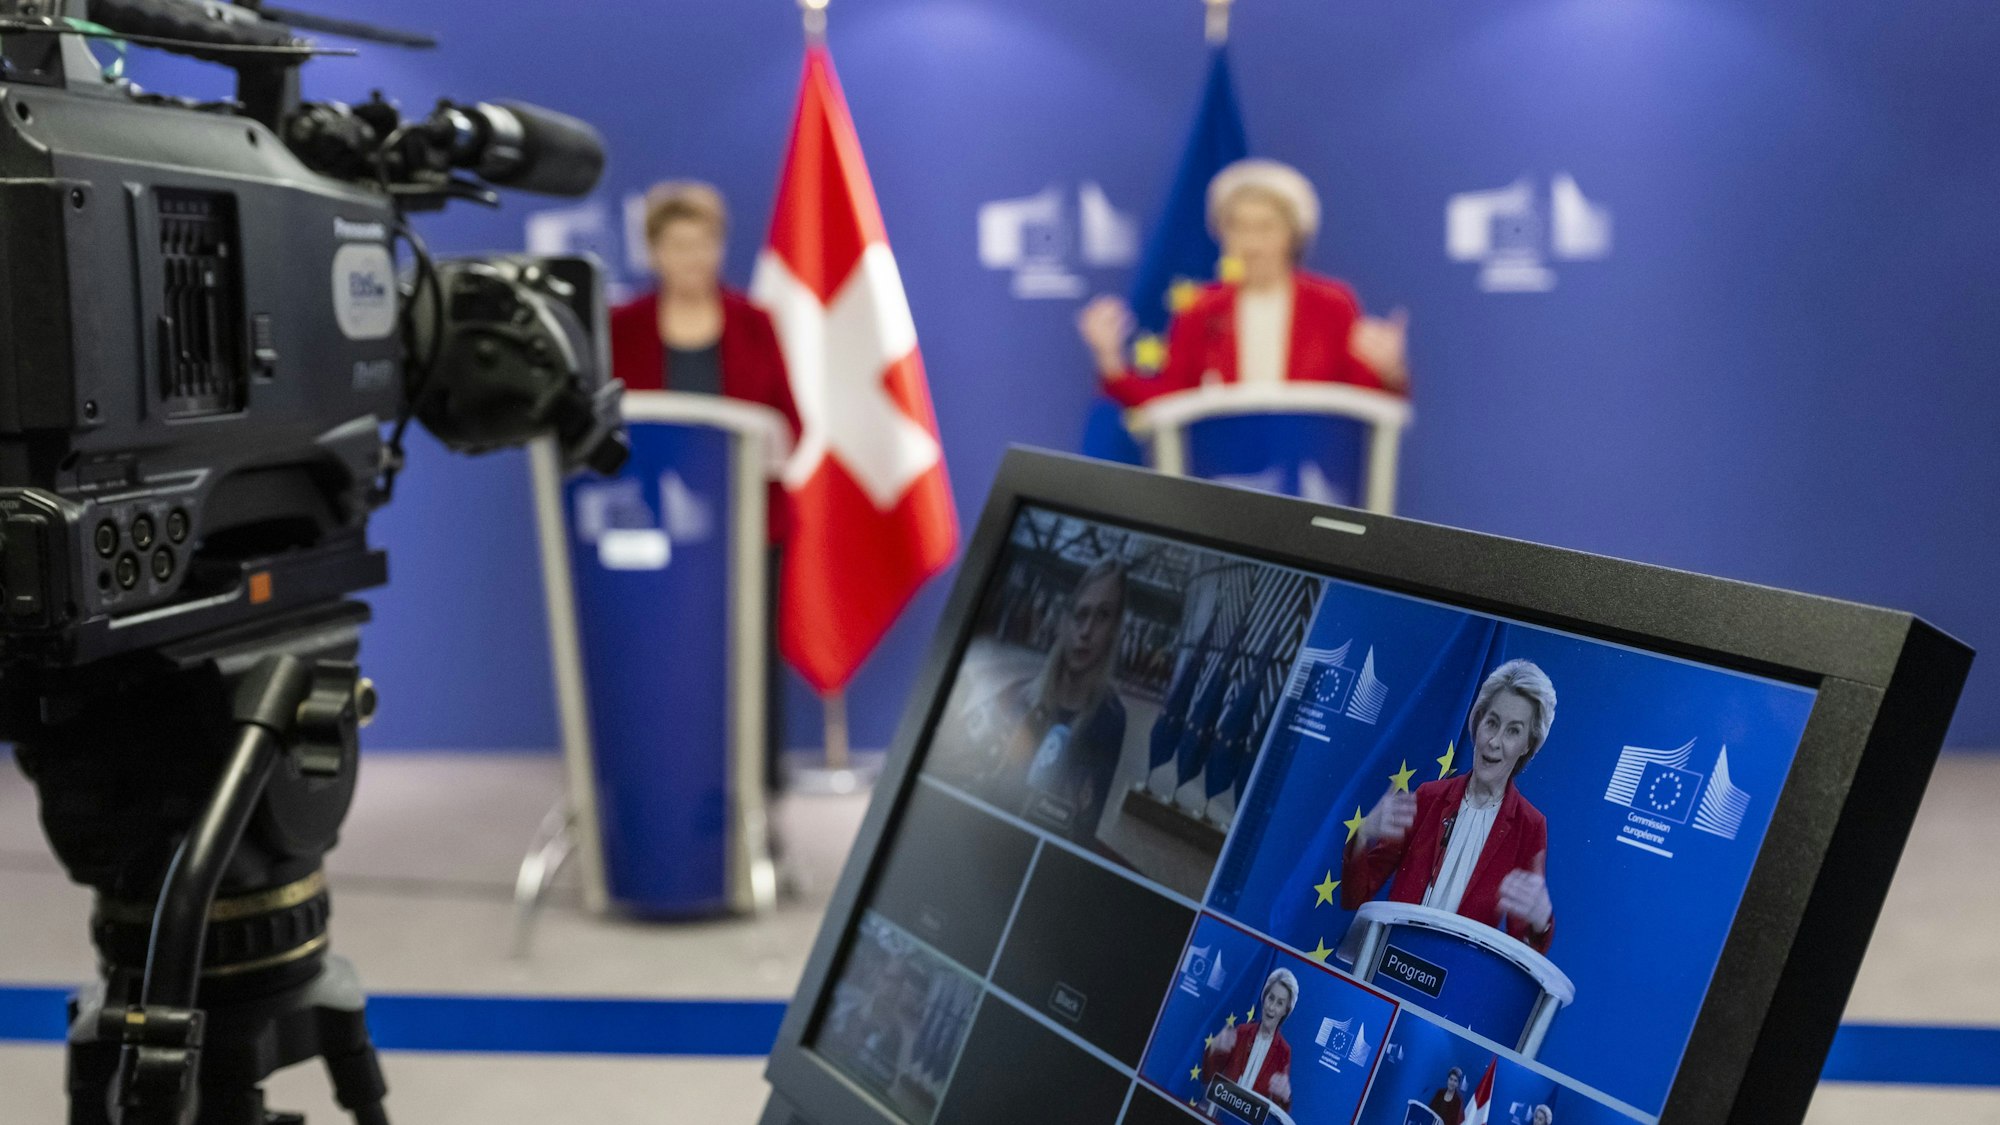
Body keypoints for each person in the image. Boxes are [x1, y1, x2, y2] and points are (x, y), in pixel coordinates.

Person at [609, 181, 802, 792]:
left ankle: (758, 799)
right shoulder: (624, 325)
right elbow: (608, 427)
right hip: (654, 528)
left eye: (704, 244)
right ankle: (661, 786)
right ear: (654, 251)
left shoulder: (754, 322)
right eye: (677, 244)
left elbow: (791, 421)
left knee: (749, 667)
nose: (692, 258)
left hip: (749, 527)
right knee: (660, 666)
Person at [1077, 158, 1409, 407]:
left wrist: (1388, 371)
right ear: (1221, 234)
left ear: (1293, 235)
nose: (1251, 243)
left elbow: (1359, 402)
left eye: (1265, 228)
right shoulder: (1200, 308)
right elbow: (1171, 399)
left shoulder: (1332, 303)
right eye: (1239, 228)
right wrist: (1111, 362)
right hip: (1222, 480)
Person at [1342, 660, 1558, 952]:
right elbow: (1355, 896)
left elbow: (1523, 948)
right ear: (1478, 722)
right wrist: (1363, 833)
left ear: (1528, 746)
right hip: (1389, 957)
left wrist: (1540, 920)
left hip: (1454, 981)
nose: (1494, 741)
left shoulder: (1529, 827)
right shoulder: (1428, 798)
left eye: (1513, 731)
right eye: (1492, 723)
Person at [946, 558, 1130, 837]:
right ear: (1065, 622)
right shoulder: (1017, 696)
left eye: (1102, 616)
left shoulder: (1111, 718)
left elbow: (1084, 828)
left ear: (1115, 630)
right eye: (1081, 614)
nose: (1086, 631)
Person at [1203, 967, 1298, 1112]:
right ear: (1264, 997)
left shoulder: (1283, 1052)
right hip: (1220, 1113)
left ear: (1286, 1010)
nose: (1271, 1007)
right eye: (1271, 998)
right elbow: (1207, 1076)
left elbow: (1280, 1109)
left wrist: (1285, 1096)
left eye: (1280, 1003)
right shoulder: (1241, 1032)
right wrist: (1214, 1050)